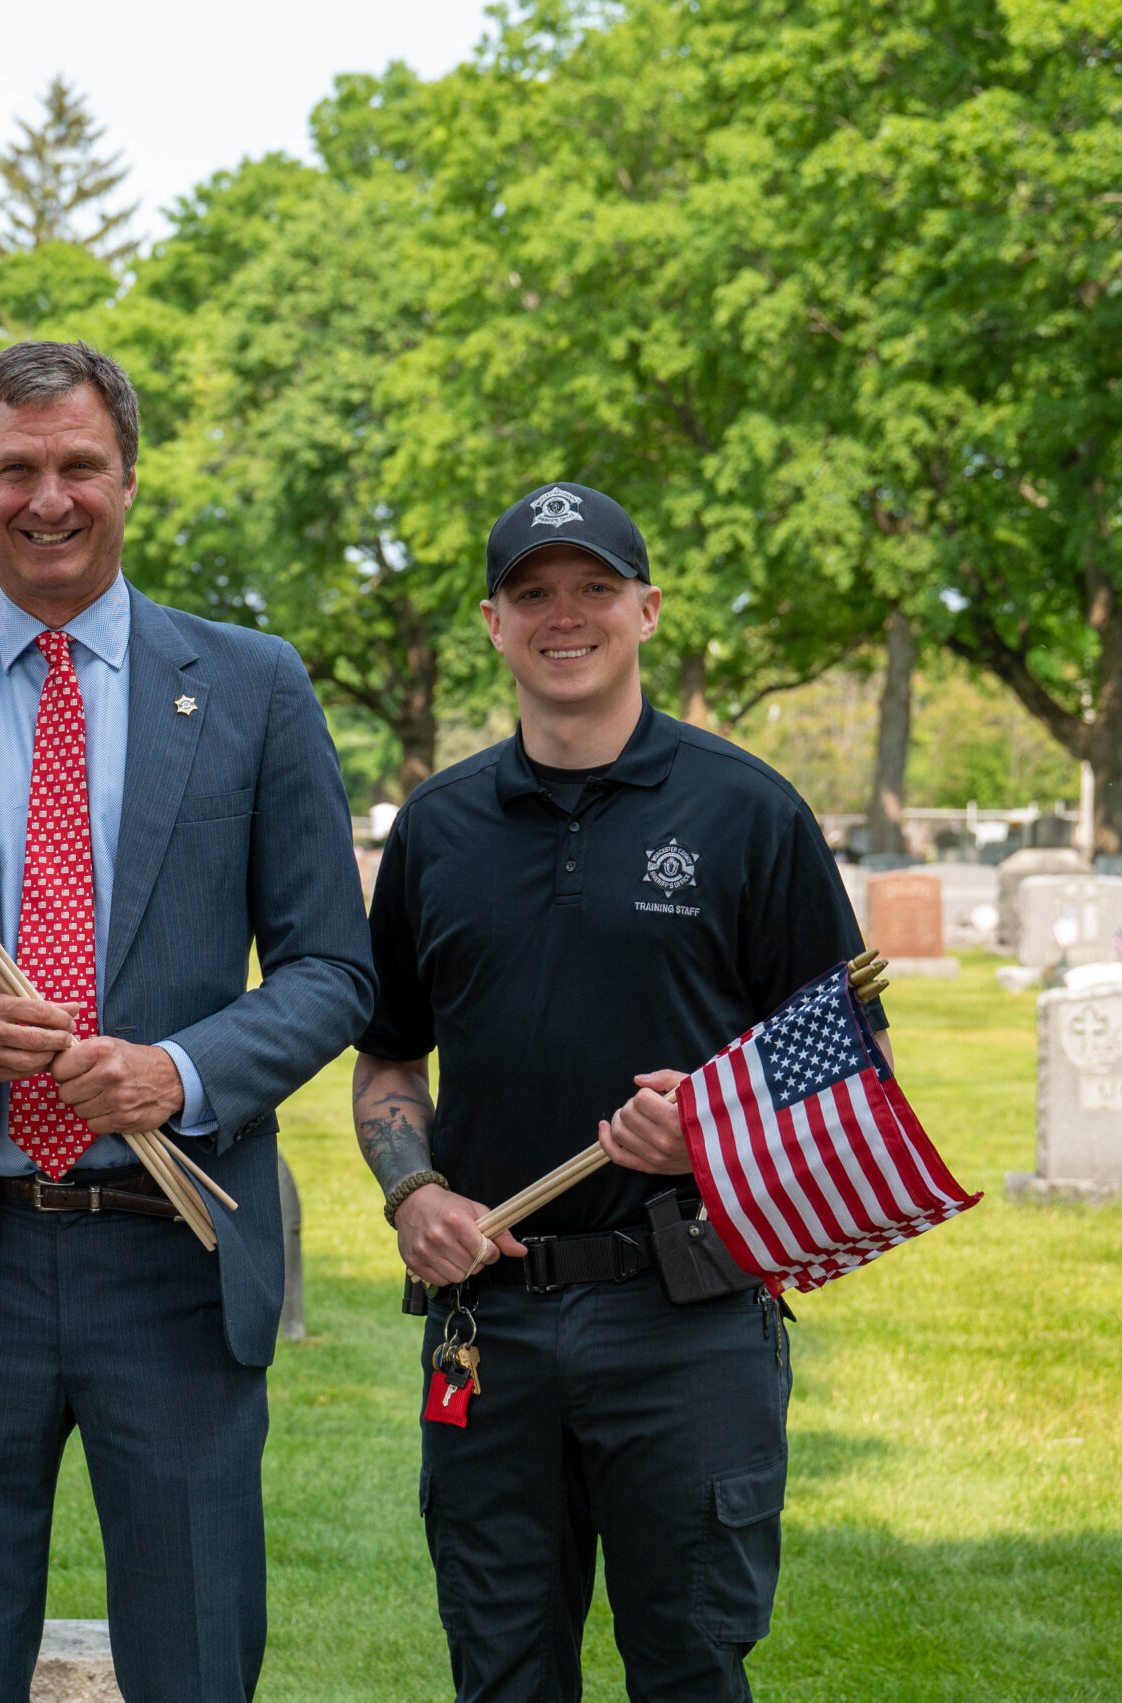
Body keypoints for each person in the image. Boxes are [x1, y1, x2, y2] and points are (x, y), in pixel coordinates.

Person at [0, 341, 375, 1702]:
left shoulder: (251, 684)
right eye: (17, 468)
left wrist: (182, 1071)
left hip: (177, 1259)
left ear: (128, 477)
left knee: (193, 1664)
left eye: (78, 466)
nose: (47, 497)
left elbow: (329, 967)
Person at [353, 482, 887, 1702]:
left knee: (690, 1666)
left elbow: (853, 1058)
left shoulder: (747, 810)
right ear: (492, 622)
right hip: (487, 1322)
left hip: (685, 1317)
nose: (564, 616)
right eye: (533, 592)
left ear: (646, 609)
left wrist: (710, 1128)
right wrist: (411, 1190)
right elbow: (388, 1058)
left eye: (593, 588)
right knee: (501, 1670)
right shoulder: (435, 830)